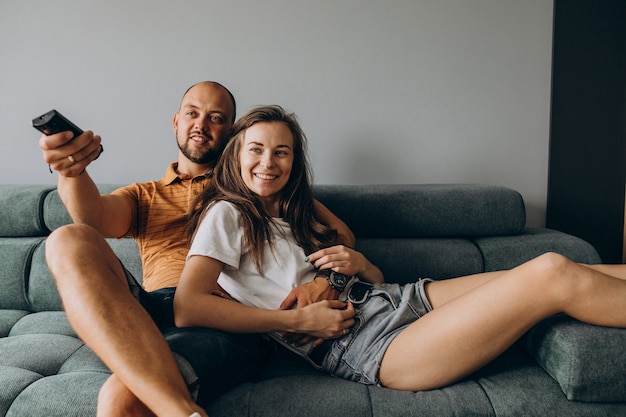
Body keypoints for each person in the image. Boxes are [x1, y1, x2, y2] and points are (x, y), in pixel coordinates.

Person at [174, 104, 626, 393]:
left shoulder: (293, 212)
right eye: (256, 150)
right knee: (549, 272)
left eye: (282, 153)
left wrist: (359, 263)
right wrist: (291, 319)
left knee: (561, 265)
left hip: (397, 297)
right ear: (235, 155)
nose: (268, 163)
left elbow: (349, 247)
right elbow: (188, 307)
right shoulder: (228, 215)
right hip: (370, 344)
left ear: (295, 162)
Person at [39, 83, 355, 417]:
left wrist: (324, 281)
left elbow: (338, 235)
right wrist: (71, 171)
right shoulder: (144, 195)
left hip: (221, 319)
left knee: (121, 402)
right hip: (147, 311)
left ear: (233, 133)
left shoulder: (254, 182)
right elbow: (92, 219)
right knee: (66, 239)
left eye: (216, 118)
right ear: (176, 122)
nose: (201, 124)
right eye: (192, 113)